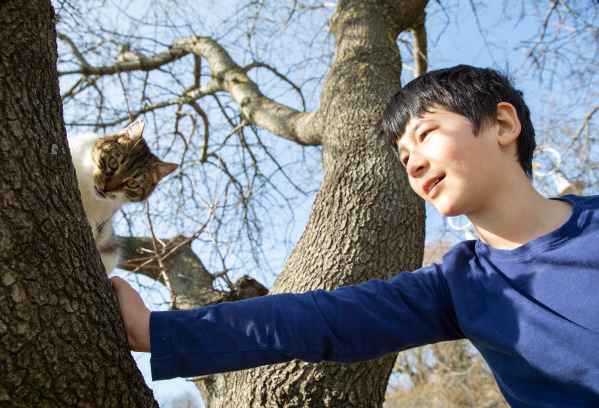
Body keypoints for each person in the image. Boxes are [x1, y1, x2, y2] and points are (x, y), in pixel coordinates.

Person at [110, 65, 599, 407]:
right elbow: (317, 319)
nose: (416, 162)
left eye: (426, 133)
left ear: (504, 123)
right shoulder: (457, 286)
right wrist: (157, 332)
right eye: (405, 157)